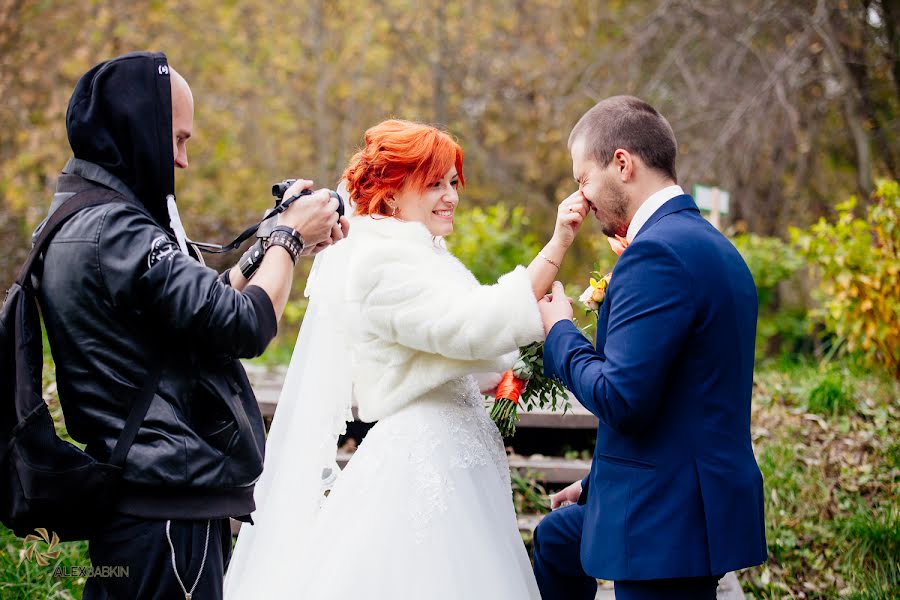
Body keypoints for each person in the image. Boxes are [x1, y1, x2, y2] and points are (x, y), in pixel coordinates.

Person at [223, 119, 587, 599]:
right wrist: (559, 242)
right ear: (392, 194)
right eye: (433, 183)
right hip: (421, 469)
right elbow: (473, 326)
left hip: (458, 464)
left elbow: (467, 346)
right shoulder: (380, 263)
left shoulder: (424, 255)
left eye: (452, 182)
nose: (450, 196)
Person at [37, 51, 347, 600]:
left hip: (138, 503)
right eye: (177, 139)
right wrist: (287, 238)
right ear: (137, 127)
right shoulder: (119, 229)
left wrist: (273, 246)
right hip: (165, 510)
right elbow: (245, 325)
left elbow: (200, 308)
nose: (182, 161)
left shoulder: (85, 215)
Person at [532, 96, 768, 600]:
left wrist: (560, 332)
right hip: (689, 499)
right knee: (556, 538)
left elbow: (622, 398)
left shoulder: (656, 253)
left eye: (583, 180)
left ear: (622, 163)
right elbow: (686, 394)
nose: (582, 197)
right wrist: (598, 485)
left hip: (666, 523)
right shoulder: (715, 248)